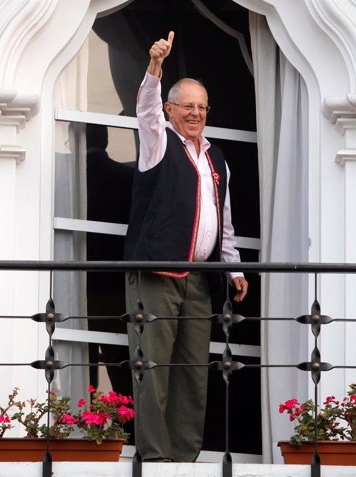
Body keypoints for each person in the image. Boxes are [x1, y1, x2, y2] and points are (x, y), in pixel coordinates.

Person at [123, 31, 248, 463]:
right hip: (157, 273)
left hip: (200, 279)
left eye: (201, 107)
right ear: (170, 109)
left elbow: (223, 221)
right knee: (152, 369)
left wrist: (233, 269)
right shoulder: (158, 142)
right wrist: (155, 67)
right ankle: (156, 459)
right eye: (186, 105)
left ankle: (185, 459)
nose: (194, 113)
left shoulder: (217, 159)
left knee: (194, 372)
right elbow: (145, 110)